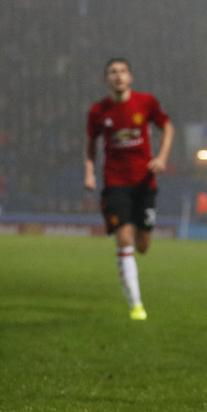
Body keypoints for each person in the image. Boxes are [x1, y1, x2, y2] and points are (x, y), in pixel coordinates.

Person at [84, 57, 175, 321]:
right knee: (124, 239)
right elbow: (90, 144)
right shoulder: (99, 111)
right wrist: (89, 172)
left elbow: (167, 127)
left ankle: (133, 254)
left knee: (142, 246)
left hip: (145, 183)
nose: (118, 76)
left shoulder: (146, 103)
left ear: (130, 77)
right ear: (107, 79)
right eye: (113, 72)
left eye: (123, 71)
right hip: (115, 184)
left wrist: (162, 158)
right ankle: (136, 305)